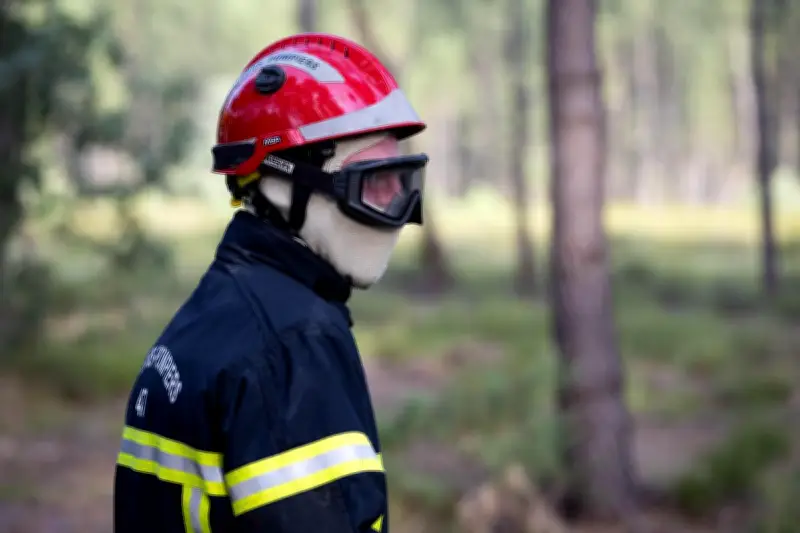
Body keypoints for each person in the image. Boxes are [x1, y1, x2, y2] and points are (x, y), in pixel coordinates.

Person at [113, 33, 428, 533]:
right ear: (284, 184)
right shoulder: (292, 344)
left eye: (402, 182)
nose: (396, 210)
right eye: (372, 181)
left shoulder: (216, 313)